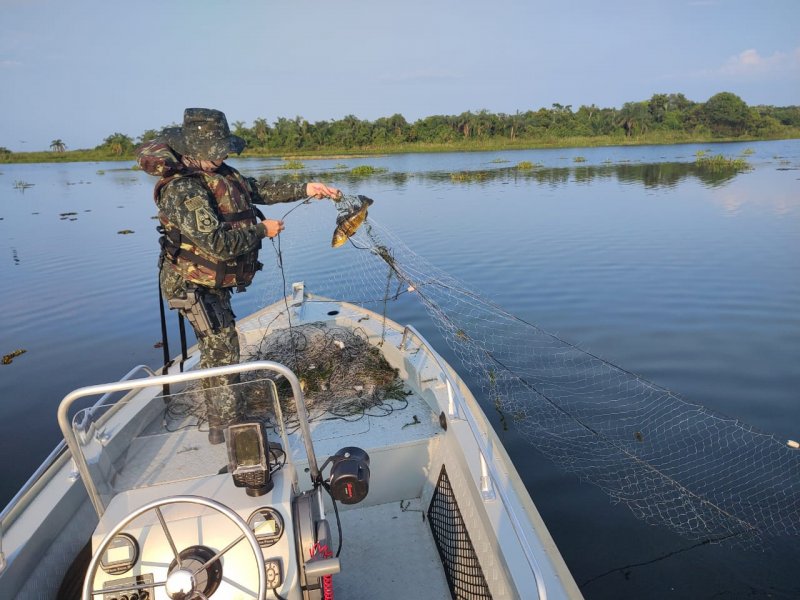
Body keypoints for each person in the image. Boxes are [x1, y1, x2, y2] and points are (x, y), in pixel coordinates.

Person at [143, 108, 340, 444]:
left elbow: (256, 189)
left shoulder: (218, 173)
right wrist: (262, 229)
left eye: (224, 150)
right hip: (191, 283)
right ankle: (225, 426)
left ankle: (227, 412)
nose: (223, 155)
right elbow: (217, 244)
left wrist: (306, 187)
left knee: (223, 344)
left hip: (210, 280)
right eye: (217, 150)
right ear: (193, 150)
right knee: (221, 348)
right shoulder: (184, 190)